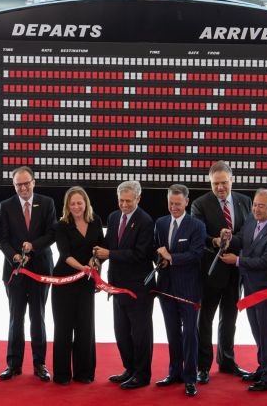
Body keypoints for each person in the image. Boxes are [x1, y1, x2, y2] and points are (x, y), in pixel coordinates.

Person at [190, 161, 252, 383]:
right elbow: (198, 236)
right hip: (210, 270)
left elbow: (248, 233)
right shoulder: (200, 204)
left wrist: (231, 241)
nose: (220, 188)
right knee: (204, 320)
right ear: (210, 182)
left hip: (235, 270)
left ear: (231, 180)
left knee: (230, 318)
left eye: (224, 183)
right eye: (215, 183)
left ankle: (227, 361)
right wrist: (216, 241)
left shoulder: (245, 202)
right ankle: (203, 366)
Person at [93, 180, 155, 390]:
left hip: (138, 288)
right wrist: (97, 259)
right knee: (121, 332)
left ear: (138, 198)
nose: (125, 205)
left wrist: (109, 254)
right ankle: (129, 369)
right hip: (116, 286)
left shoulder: (146, 221)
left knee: (140, 334)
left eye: (129, 201)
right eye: (121, 200)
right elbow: (108, 245)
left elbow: (140, 254)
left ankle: (142, 375)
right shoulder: (112, 217)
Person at [0, 166, 56, 382]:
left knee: (38, 317)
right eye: (18, 184)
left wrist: (33, 246)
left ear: (33, 182)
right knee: (15, 317)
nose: (22, 187)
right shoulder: (6, 206)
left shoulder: (47, 203)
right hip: (15, 270)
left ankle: (39, 363)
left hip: (40, 268)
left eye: (26, 183)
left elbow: (52, 233)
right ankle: (13, 364)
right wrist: (14, 256)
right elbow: (2, 239)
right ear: (14, 186)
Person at [226, 189, 267, 392]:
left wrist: (238, 261)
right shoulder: (252, 219)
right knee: (258, 331)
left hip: (266, 290)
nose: (256, 209)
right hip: (250, 286)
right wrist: (228, 238)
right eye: (254, 205)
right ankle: (264, 368)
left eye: (261, 206)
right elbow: (242, 238)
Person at [154, 184, 205, 397]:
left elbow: (196, 255)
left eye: (178, 203)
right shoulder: (161, 223)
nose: (174, 207)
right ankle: (174, 373)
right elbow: (156, 250)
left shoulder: (197, 225)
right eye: (171, 203)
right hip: (165, 287)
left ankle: (190, 378)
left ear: (186, 201)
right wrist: (161, 259)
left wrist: (171, 257)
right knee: (172, 332)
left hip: (188, 289)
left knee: (190, 335)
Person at [51, 186, 103, 385]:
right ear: (67, 206)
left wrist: (96, 265)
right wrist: (83, 268)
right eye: (72, 203)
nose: (76, 206)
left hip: (87, 283)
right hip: (64, 281)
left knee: (85, 327)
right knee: (63, 327)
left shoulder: (96, 220)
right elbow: (64, 255)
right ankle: (62, 375)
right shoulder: (61, 225)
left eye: (79, 202)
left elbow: (101, 247)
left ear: (86, 203)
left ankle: (84, 373)